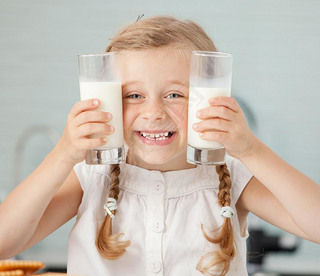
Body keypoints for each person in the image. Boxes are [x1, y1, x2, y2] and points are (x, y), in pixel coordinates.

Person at [0, 15, 319, 276]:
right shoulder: (91, 175)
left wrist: (251, 150)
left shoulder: (232, 175)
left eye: (175, 95)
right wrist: (61, 156)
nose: (153, 112)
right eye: (133, 96)